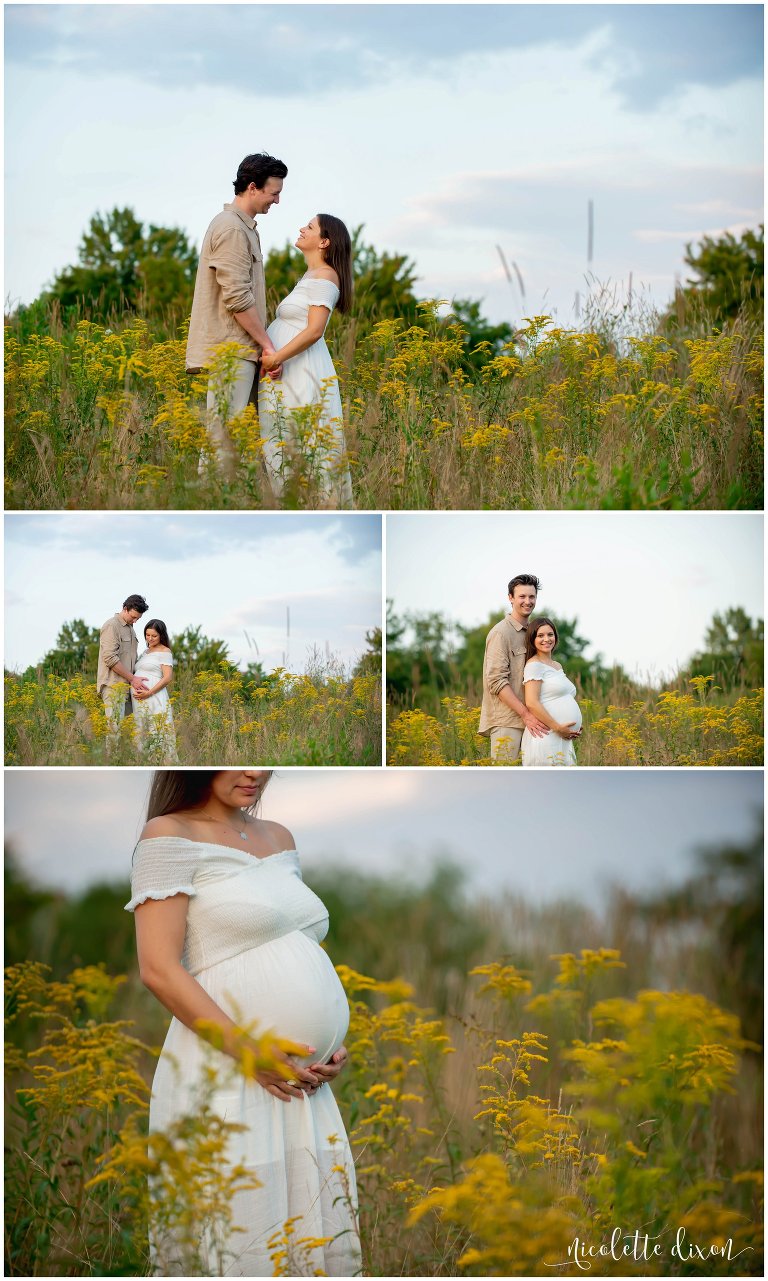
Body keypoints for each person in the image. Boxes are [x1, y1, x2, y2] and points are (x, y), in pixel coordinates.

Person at [125, 770, 360, 1277]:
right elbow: (159, 969)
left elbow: (298, 947)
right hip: (228, 1068)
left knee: (314, 1234)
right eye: (235, 760)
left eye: (262, 759)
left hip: (304, 1088)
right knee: (243, 1232)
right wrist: (250, 1053)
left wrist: (330, 1046)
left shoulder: (279, 837)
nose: (254, 772)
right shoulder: (170, 835)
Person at [186, 153, 288, 478]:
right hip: (232, 350)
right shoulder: (231, 228)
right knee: (222, 439)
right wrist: (267, 345)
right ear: (253, 187)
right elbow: (237, 297)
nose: (277, 200)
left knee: (233, 438)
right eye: (274, 192)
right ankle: (208, 502)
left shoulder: (244, 228)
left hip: (241, 350)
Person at [258, 214, 354, 508]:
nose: (301, 229)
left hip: (300, 371)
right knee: (281, 440)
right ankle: (291, 504)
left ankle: (315, 506)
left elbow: (315, 330)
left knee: (299, 440)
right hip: (287, 369)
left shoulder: (326, 276)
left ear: (324, 242)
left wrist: (276, 357)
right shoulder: (311, 276)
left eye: (309, 227)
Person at [478, 574, 550, 762]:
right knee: (504, 777)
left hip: (533, 722)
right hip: (507, 722)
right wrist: (525, 715)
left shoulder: (534, 634)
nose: (528, 601)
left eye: (531, 597)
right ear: (510, 598)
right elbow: (496, 681)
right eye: (522, 597)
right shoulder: (501, 633)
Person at [521, 617, 582, 767]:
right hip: (547, 735)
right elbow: (532, 702)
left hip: (562, 737)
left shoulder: (557, 665)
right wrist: (558, 727)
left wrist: (572, 726)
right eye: (540, 636)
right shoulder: (534, 665)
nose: (546, 639)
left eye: (550, 634)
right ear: (532, 639)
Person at [97, 594, 150, 737]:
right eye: (133, 617)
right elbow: (109, 658)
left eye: (138, 618)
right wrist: (133, 679)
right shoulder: (111, 625)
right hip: (114, 686)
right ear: (125, 609)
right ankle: (112, 759)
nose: (135, 621)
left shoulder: (130, 628)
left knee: (128, 732)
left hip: (127, 688)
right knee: (114, 733)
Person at [131, 619, 178, 763]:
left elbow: (168, 677)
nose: (150, 639)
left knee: (156, 729)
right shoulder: (145, 652)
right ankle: (145, 761)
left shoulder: (165, 651)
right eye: (147, 635)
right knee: (142, 730)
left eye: (154, 636)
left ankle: (163, 762)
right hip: (139, 701)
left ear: (161, 636)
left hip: (154, 697)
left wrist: (149, 692)